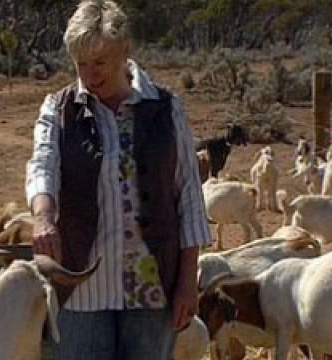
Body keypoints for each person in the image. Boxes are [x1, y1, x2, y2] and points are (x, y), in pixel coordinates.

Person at [26, 1, 212, 359]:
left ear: (124, 52)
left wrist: (188, 281)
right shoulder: (59, 108)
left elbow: (188, 195)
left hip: (153, 288)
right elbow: (43, 163)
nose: (89, 74)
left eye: (99, 63)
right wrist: (43, 214)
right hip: (80, 290)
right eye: (81, 64)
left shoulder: (165, 108)